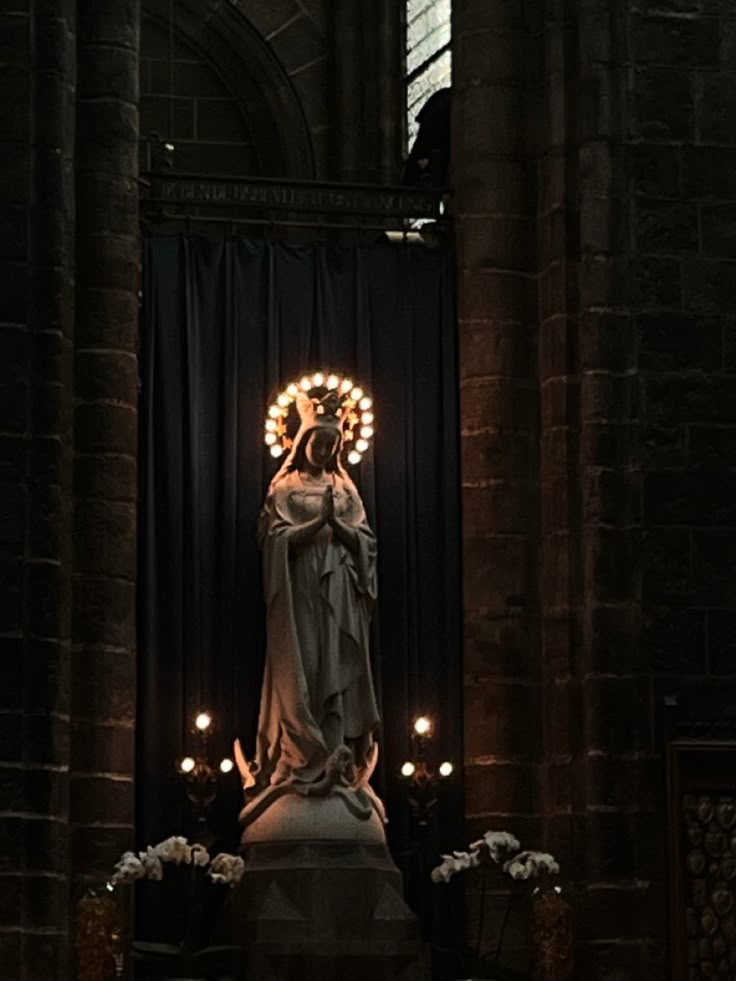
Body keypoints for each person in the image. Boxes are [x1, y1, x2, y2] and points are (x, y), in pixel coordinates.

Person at [250, 389, 380, 806]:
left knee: (336, 665)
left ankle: (339, 758)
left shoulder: (345, 489)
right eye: (317, 441)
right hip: (299, 587)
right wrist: (316, 525)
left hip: (339, 587)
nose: (323, 450)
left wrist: (336, 526)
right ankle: (303, 755)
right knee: (304, 665)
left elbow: (365, 542)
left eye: (331, 444)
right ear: (302, 441)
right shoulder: (284, 486)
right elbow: (273, 540)